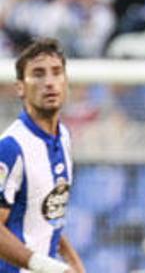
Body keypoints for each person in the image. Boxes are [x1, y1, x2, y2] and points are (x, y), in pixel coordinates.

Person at [0, 38, 84, 273]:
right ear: (20, 88)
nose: (49, 82)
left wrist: (73, 262)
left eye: (56, 73)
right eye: (38, 74)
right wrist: (48, 267)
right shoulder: (11, 147)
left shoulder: (63, 136)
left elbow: (47, 216)